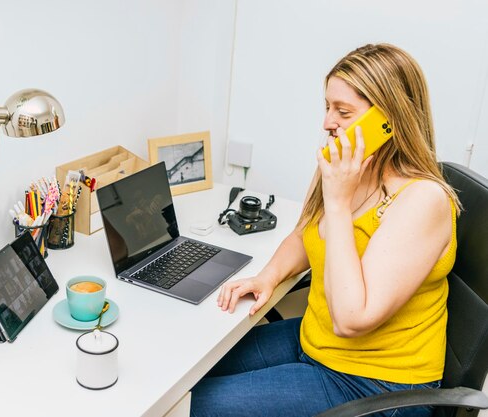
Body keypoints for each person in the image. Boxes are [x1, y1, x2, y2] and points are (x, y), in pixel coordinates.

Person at [190, 43, 461, 417]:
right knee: (190, 373)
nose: (327, 123)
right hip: (315, 342)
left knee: (193, 406)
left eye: (343, 111)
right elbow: (307, 232)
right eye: (327, 107)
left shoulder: (422, 200)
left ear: (388, 121)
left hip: (376, 385)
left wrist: (337, 202)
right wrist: (268, 276)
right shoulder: (344, 167)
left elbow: (352, 319)